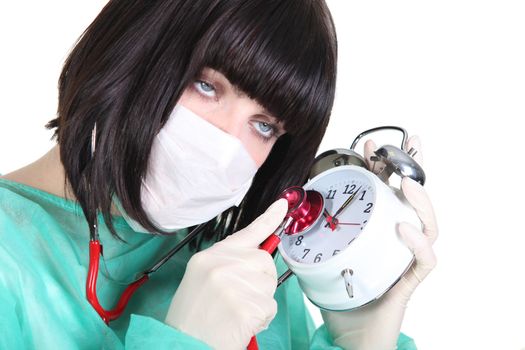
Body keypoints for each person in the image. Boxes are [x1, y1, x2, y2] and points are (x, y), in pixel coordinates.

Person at [0, 0, 438, 349]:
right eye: (207, 86)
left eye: (264, 125)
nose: (227, 143)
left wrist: (362, 341)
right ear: (129, 50)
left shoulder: (248, 261)